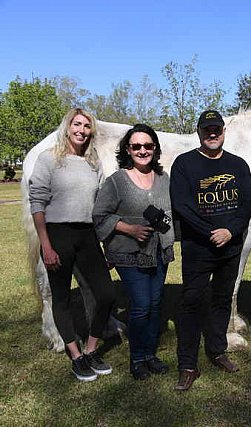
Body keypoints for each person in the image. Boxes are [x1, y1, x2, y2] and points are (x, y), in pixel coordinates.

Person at [170, 110, 251, 391]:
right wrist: (210, 233)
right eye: (207, 129)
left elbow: (247, 202)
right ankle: (187, 365)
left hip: (229, 249)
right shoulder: (184, 164)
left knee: (220, 301)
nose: (212, 133)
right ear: (198, 132)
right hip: (198, 250)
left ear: (223, 132)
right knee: (191, 303)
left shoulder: (238, 165)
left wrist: (230, 231)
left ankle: (217, 351)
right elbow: (181, 205)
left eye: (216, 129)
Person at [29, 108, 116, 381]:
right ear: (67, 127)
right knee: (62, 297)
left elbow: (100, 205)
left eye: (86, 126)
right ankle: (75, 356)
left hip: (87, 235)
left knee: (106, 295)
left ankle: (90, 349)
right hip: (57, 234)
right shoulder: (48, 160)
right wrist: (46, 245)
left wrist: (105, 244)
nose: (81, 130)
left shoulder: (93, 163)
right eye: (77, 124)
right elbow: (37, 203)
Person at [92, 124, 174, 380]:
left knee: (156, 304)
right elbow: (99, 215)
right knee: (141, 306)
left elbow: (173, 211)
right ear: (127, 149)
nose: (142, 150)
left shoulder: (164, 179)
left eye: (148, 146)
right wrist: (130, 229)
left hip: (159, 251)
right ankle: (137, 358)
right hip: (130, 253)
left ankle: (150, 355)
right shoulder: (116, 181)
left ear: (155, 149)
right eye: (136, 146)